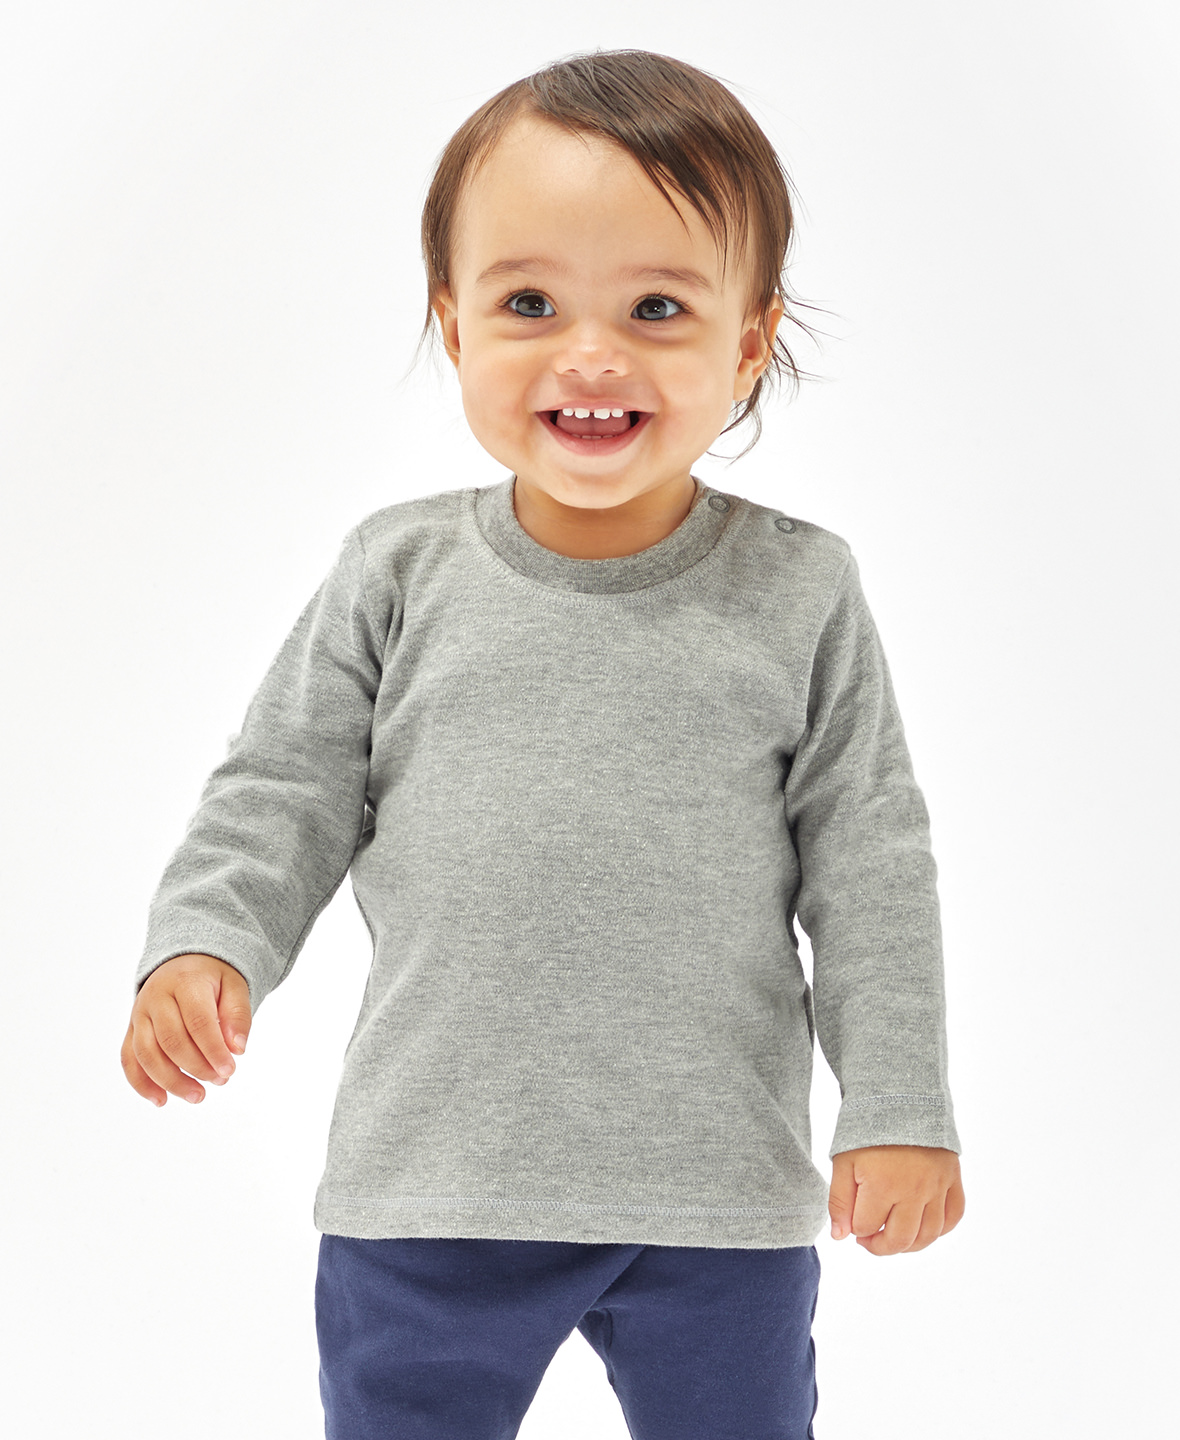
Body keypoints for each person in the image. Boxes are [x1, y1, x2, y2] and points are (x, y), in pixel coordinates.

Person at [121, 48, 965, 1440]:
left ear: (748, 341)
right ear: (454, 326)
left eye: (656, 308)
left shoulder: (801, 591)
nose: (591, 355)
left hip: (715, 1200)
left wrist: (899, 1103)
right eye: (529, 303)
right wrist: (206, 938)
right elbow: (283, 787)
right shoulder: (397, 573)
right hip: (432, 1186)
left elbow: (870, 866)